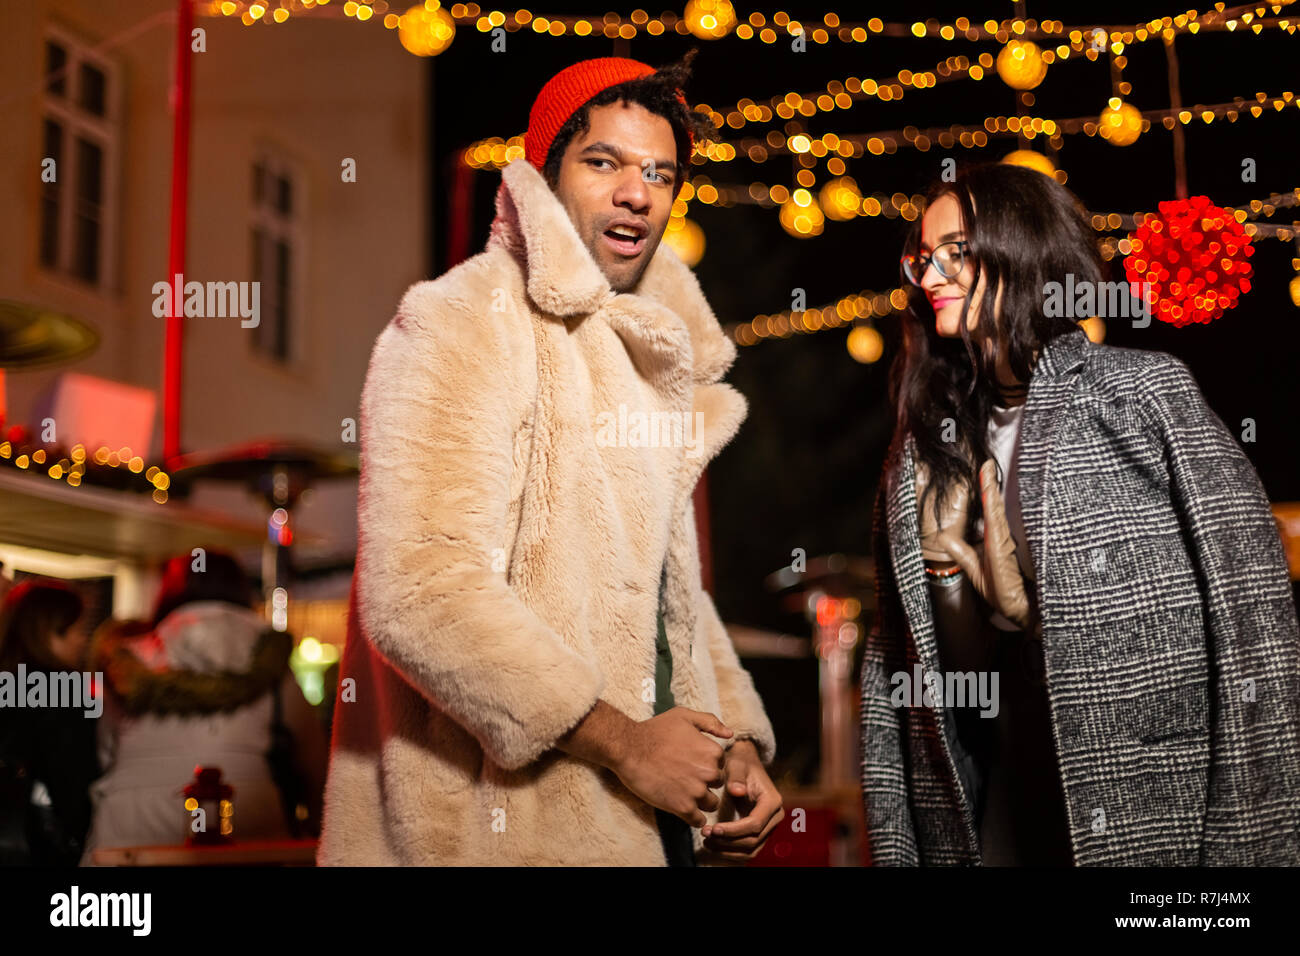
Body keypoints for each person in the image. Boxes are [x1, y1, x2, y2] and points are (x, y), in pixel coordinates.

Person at [318, 54, 781, 866]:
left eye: (660, 174)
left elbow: (671, 601)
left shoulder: (644, 362)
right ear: (543, 171)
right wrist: (625, 744)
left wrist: (731, 743)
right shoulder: (460, 323)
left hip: (652, 831)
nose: (637, 192)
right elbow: (422, 591)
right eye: (603, 162)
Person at [860, 162, 1300, 866]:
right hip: (992, 792)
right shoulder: (923, 449)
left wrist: (1250, 854)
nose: (931, 276)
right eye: (922, 258)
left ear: (1024, 249)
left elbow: (1254, 619)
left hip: (1153, 804)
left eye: (958, 253)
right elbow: (893, 681)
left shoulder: (1139, 392)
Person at [79, 552, 328, 861]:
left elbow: (106, 751)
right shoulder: (272, 666)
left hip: (130, 828)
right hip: (248, 819)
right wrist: (319, 826)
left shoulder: (129, 663)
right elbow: (313, 760)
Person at [0, 578, 99, 865]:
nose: (83, 640)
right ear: (50, 633)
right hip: (38, 846)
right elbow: (74, 783)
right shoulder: (67, 690)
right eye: (78, 629)